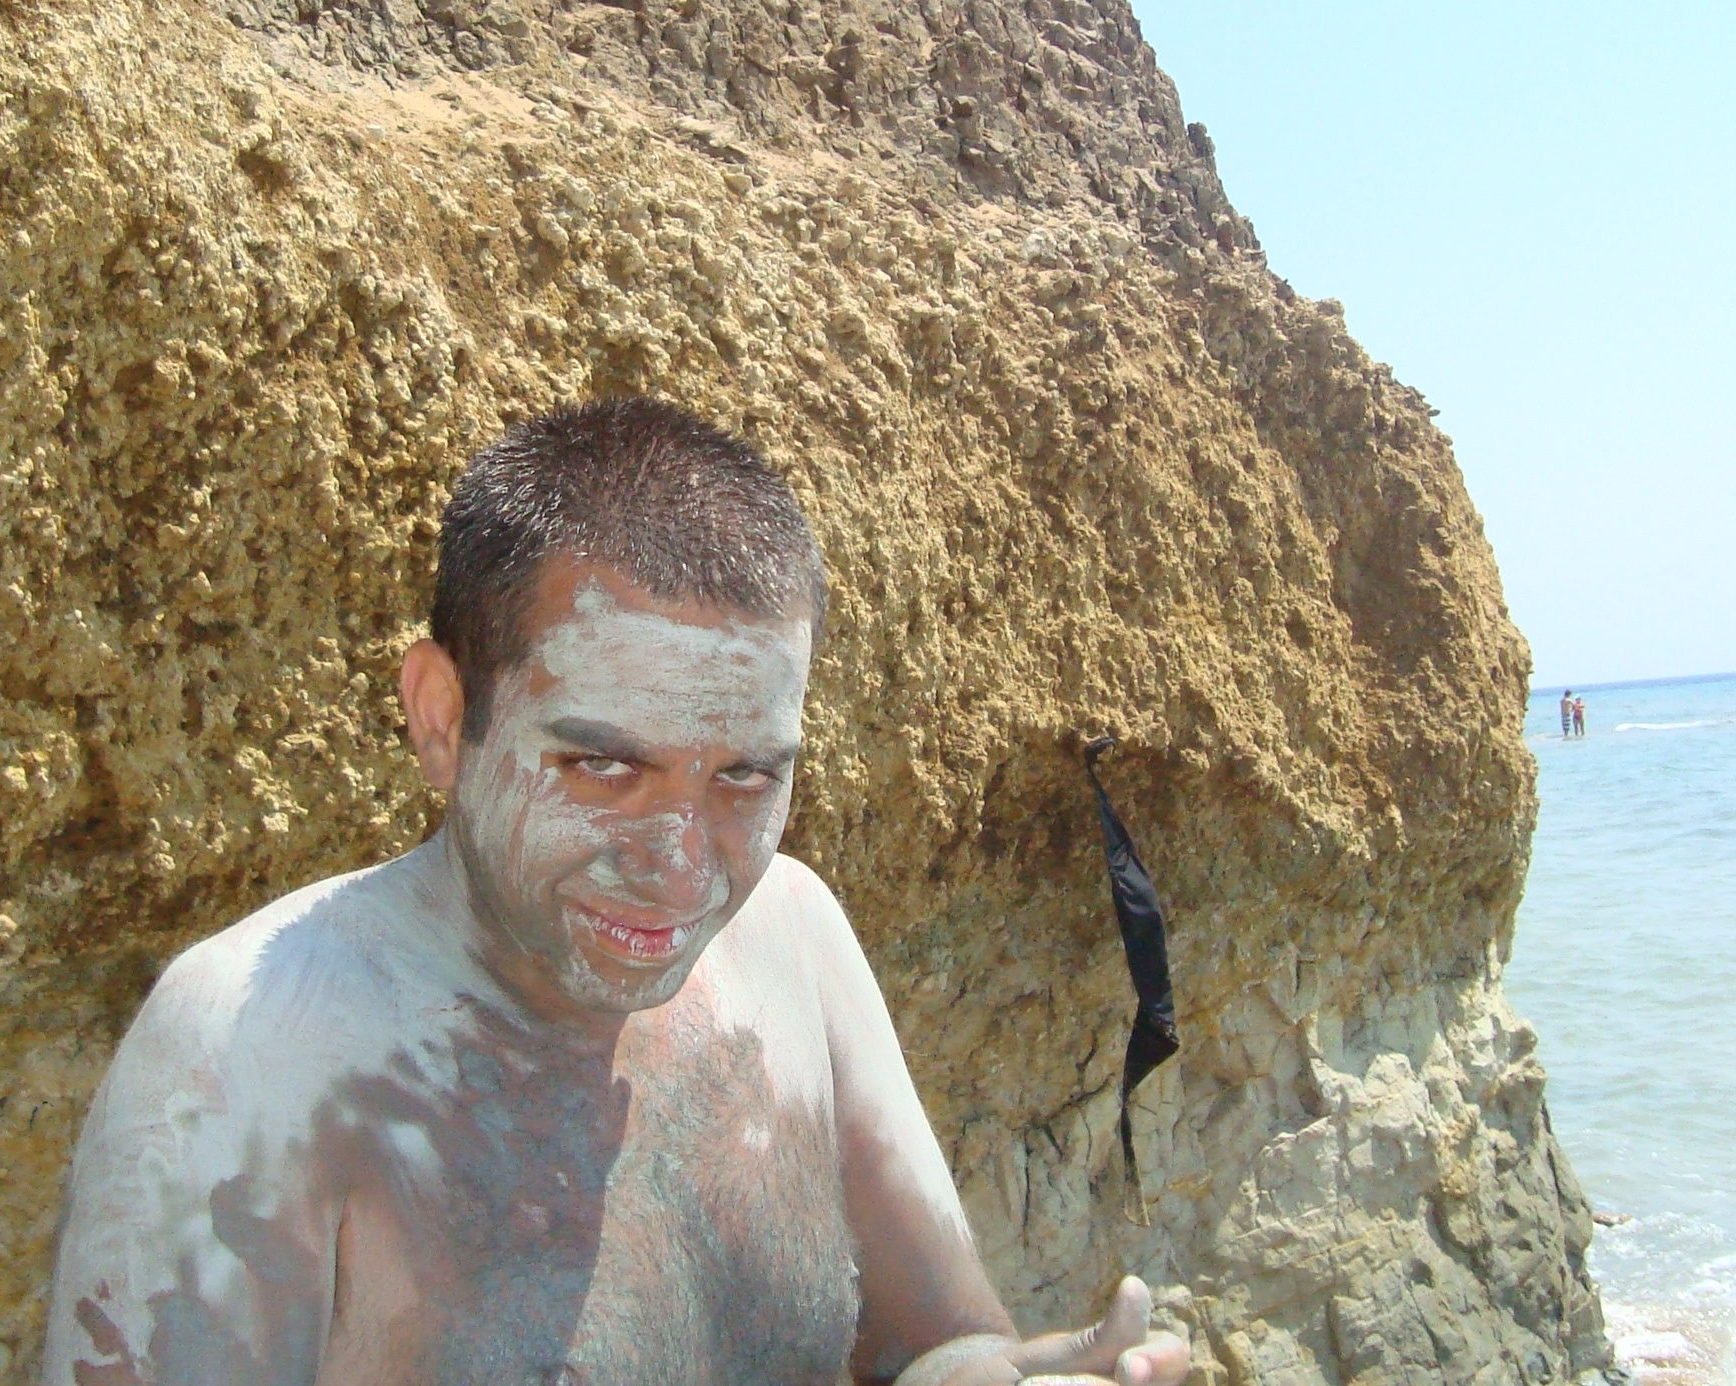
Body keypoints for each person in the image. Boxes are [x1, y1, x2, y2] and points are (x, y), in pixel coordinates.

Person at [43, 399, 1189, 1386]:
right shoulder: (251, 1056)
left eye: (744, 775)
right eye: (603, 765)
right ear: (441, 718)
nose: (684, 870)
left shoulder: (793, 938)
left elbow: (931, 1345)